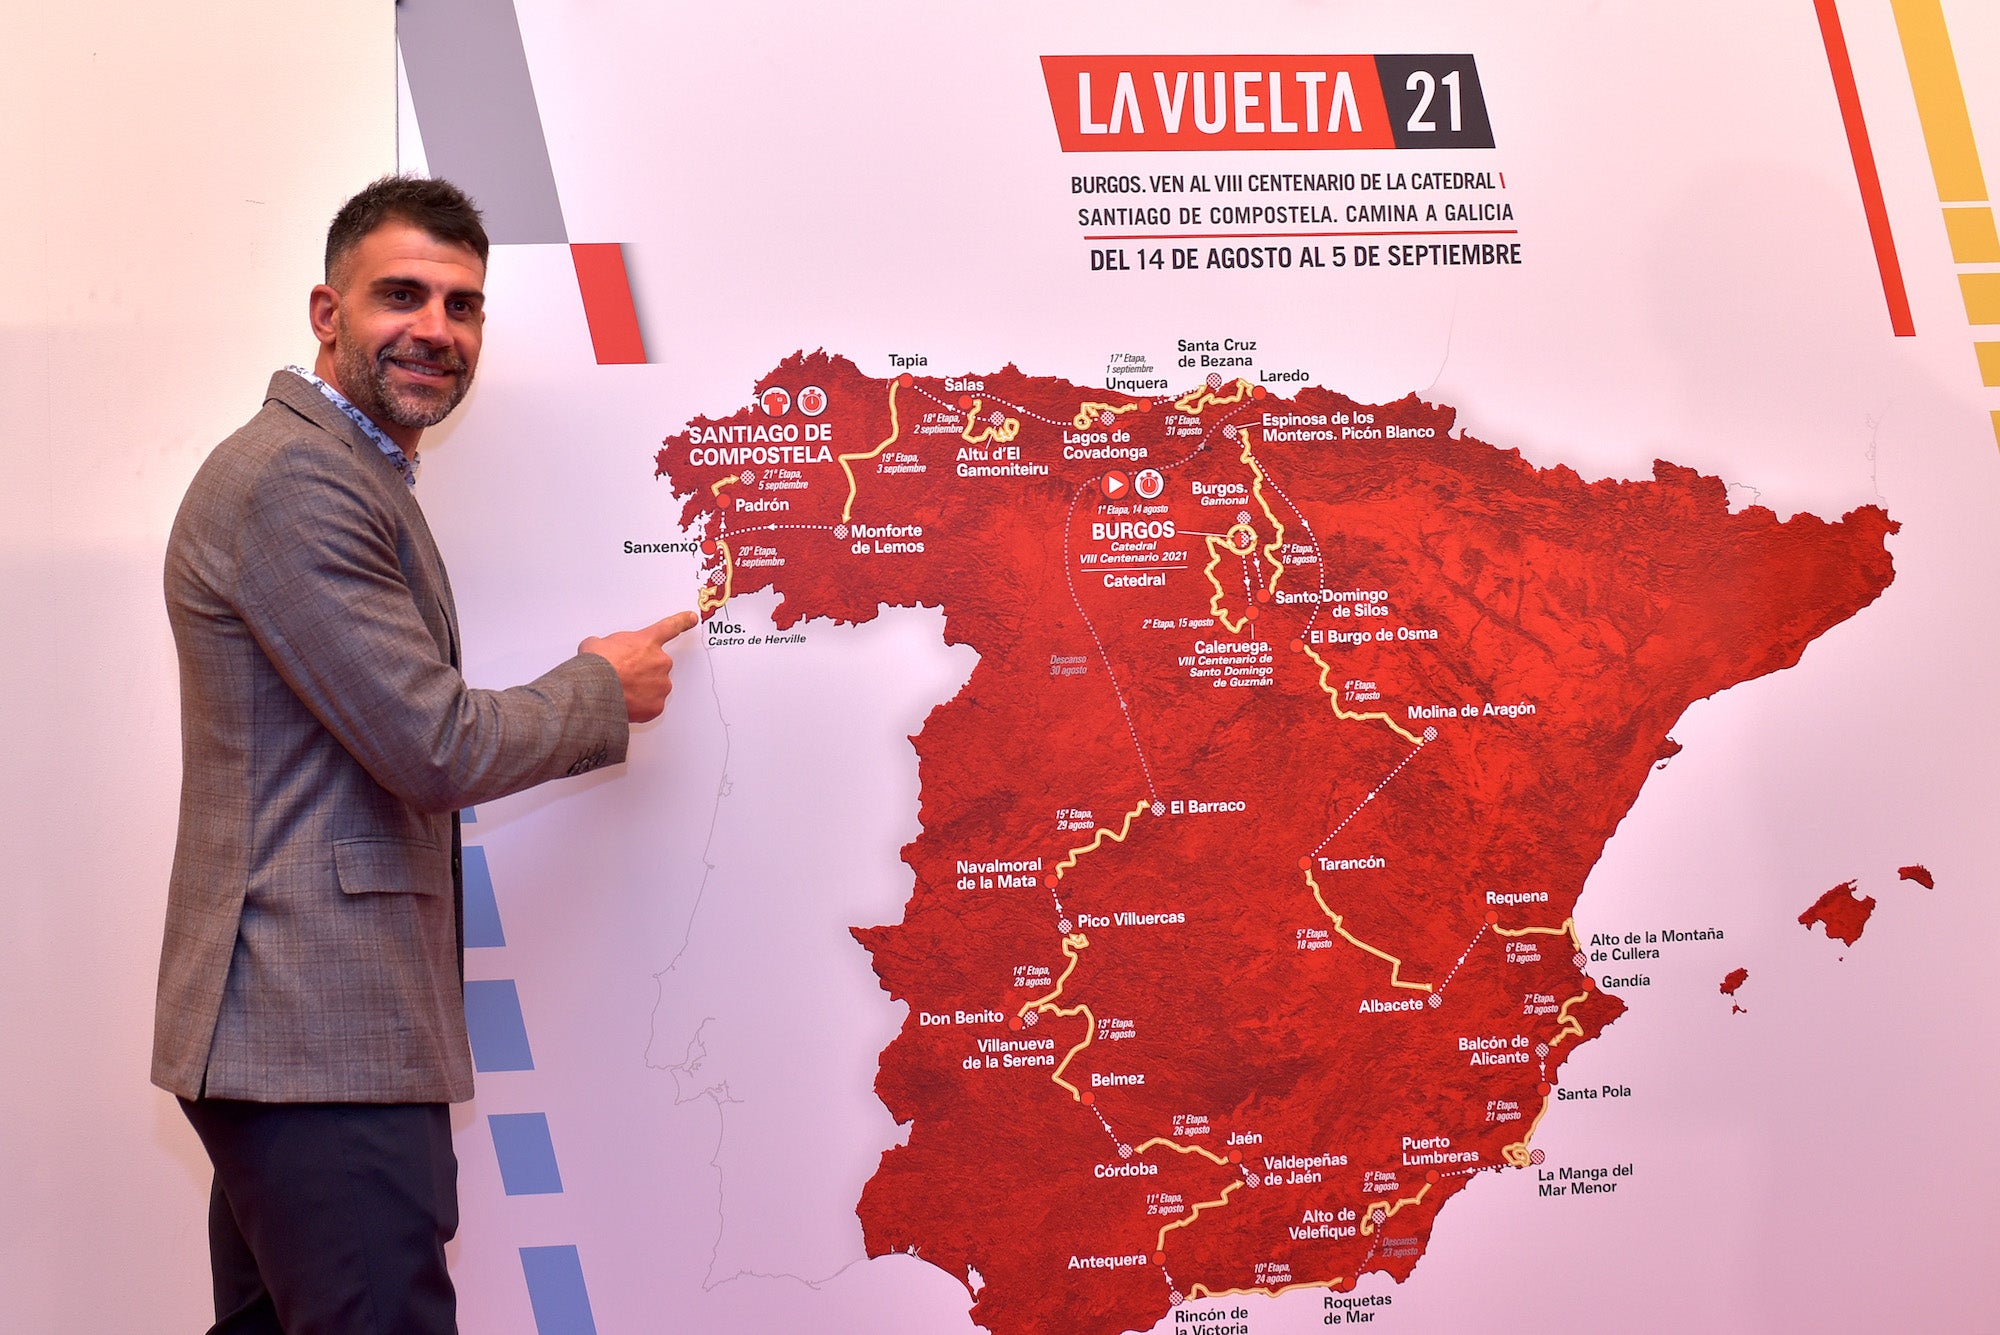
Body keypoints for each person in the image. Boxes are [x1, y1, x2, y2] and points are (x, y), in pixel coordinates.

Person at [152, 175, 693, 1333]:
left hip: (295, 1042)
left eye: (463, 305)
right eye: (402, 294)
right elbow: (431, 744)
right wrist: (600, 687)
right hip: (314, 1034)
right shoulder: (295, 480)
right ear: (325, 311)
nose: (436, 330)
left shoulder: (346, 472)